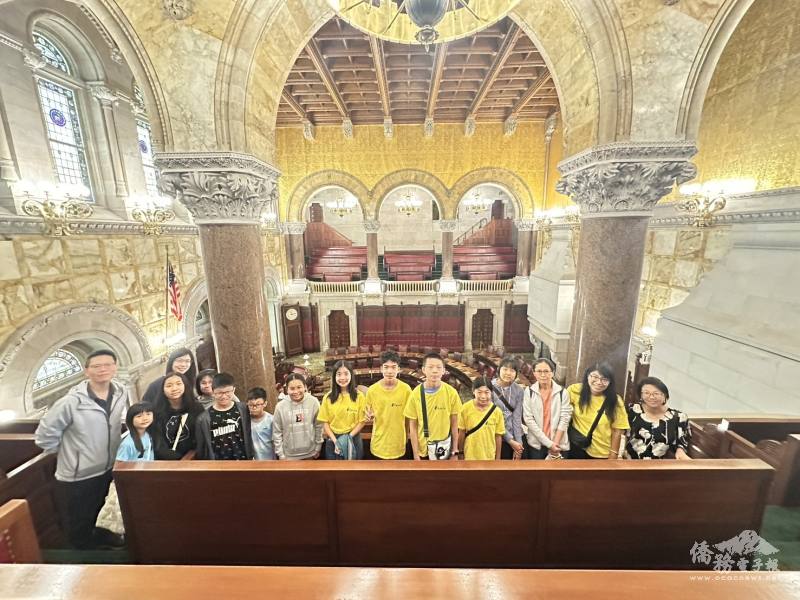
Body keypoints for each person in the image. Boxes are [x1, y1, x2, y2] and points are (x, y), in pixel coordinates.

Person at [34, 349, 128, 549]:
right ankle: (82, 557)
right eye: (96, 366)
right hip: (78, 474)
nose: (103, 369)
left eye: (107, 364)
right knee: (79, 520)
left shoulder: (121, 391)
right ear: (86, 371)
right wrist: (72, 453)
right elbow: (44, 436)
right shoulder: (70, 402)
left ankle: (102, 539)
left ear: (115, 367)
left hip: (109, 466)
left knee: (100, 511)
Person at [403, 352, 462, 460]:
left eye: (438, 367)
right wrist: (416, 455)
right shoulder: (415, 394)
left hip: (444, 448)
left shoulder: (451, 393)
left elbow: (454, 424)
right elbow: (413, 427)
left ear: (444, 371)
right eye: (430, 367)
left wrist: (454, 451)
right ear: (424, 370)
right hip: (423, 450)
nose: (435, 371)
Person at [566, 363, 630, 460]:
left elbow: (618, 430)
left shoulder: (615, 401)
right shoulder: (574, 390)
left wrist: (613, 454)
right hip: (576, 445)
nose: (599, 382)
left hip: (601, 452)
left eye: (604, 379)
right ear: (588, 376)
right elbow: (563, 413)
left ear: (610, 382)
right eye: (595, 377)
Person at [626, 377, 692, 460]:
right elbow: (620, 434)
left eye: (656, 393)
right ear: (641, 395)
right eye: (646, 393)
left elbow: (681, 443)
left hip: (660, 466)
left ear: (665, 395)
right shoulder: (631, 411)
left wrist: (680, 451)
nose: (651, 397)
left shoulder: (679, 417)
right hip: (630, 464)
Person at [195, 372, 254, 460]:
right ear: (213, 392)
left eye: (227, 392)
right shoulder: (203, 418)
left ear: (233, 390)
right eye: (219, 393)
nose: (224, 396)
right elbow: (202, 447)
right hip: (218, 465)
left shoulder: (243, 409)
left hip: (243, 460)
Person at [365, 350, 412, 460]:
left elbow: (408, 419)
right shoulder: (372, 390)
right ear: (381, 369)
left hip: (399, 445)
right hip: (378, 445)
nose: (390, 371)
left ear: (398, 369)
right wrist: (368, 418)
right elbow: (367, 415)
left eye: (393, 367)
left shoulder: (406, 390)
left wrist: (405, 438)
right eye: (386, 367)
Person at [522, 358, 572, 459]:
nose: (543, 375)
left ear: (552, 373)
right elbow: (529, 420)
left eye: (546, 371)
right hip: (537, 445)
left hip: (558, 444)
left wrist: (555, 444)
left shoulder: (563, 392)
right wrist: (549, 444)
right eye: (539, 371)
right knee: (537, 473)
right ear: (534, 373)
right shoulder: (529, 392)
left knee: (558, 474)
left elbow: (564, 419)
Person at [318, 361, 367, 460]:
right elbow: (325, 422)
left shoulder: (359, 396)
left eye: (346, 373)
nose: (342, 378)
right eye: (339, 374)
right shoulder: (328, 397)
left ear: (351, 375)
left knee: (356, 471)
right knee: (335, 472)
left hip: (353, 437)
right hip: (333, 438)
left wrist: (347, 438)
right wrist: (336, 441)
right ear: (334, 376)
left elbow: (362, 421)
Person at [152, 371, 204, 460]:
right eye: (169, 385)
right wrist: (178, 460)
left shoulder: (196, 408)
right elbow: (158, 444)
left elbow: (201, 437)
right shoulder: (156, 412)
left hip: (194, 458)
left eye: (178, 384)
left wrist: (191, 456)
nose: (174, 388)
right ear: (163, 391)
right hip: (168, 463)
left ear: (185, 386)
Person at [273, 373, 323, 460]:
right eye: (292, 388)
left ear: (305, 387)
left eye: (299, 387)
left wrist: (318, 447)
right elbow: (277, 431)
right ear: (287, 389)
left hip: (310, 453)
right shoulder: (280, 406)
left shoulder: (313, 402)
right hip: (288, 456)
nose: (296, 392)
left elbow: (319, 426)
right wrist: (280, 454)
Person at [457, 377, 506, 460]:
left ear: (491, 393)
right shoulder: (465, 408)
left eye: (487, 392)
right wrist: (460, 452)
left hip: (489, 457)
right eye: (479, 392)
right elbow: (461, 432)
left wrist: (497, 458)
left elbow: (498, 437)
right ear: (473, 391)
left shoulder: (497, 412)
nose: (483, 396)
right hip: (469, 456)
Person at [490, 357, 525, 459]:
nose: (508, 373)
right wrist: (510, 441)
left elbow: (517, 418)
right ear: (499, 370)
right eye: (505, 369)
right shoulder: (489, 388)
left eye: (512, 370)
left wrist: (519, 444)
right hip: (496, 435)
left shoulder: (519, 390)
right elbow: (494, 420)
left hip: (515, 435)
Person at [247, 387, 275, 460]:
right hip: (253, 462)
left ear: (265, 403)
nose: (254, 408)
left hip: (270, 460)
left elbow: (275, 442)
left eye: (258, 404)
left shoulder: (271, 420)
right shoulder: (245, 421)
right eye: (251, 405)